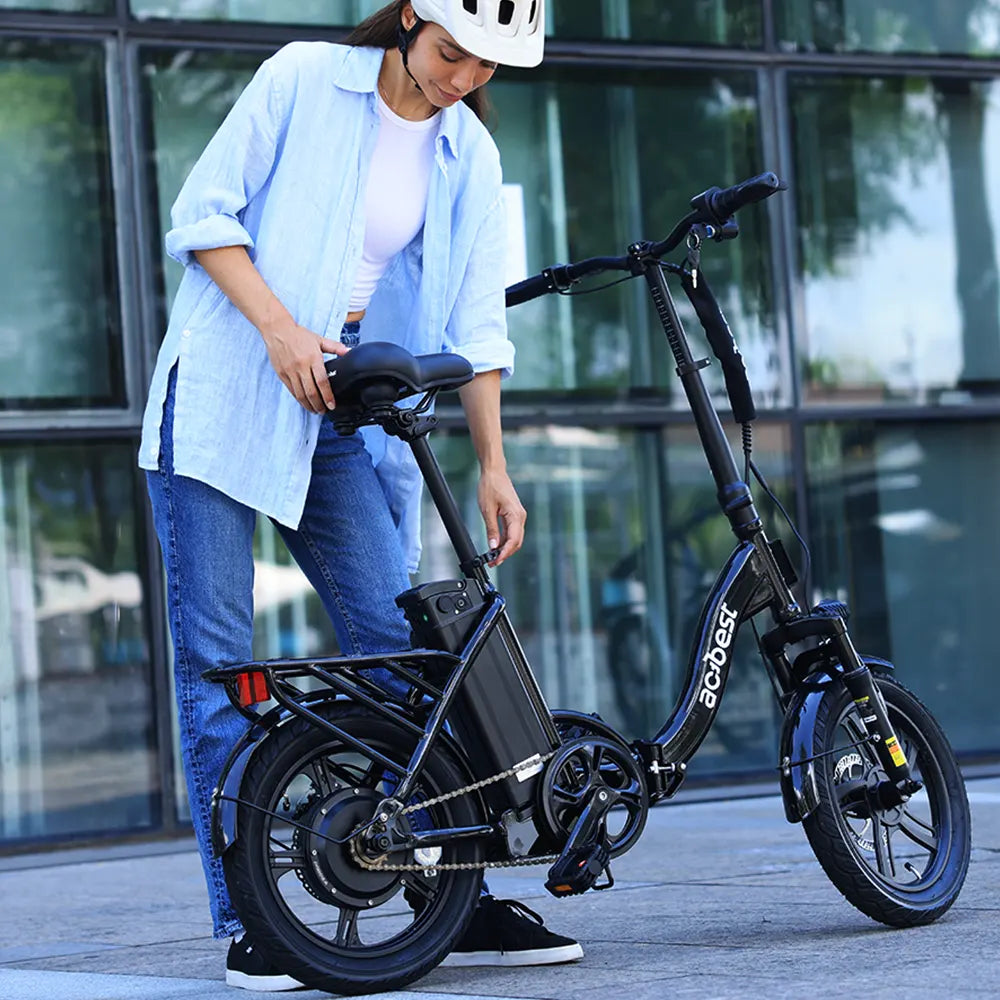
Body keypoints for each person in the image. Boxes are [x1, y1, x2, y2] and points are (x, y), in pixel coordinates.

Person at [139, 0, 583, 991]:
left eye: (484, 66)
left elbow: (477, 324)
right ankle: (253, 924)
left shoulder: (467, 155)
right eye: (449, 52)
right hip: (221, 393)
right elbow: (203, 213)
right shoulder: (303, 77)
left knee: (405, 659)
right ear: (412, 18)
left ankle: (443, 891)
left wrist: (494, 466)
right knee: (216, 665)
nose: (460, 76)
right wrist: (280, 328)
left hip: (339, 414)